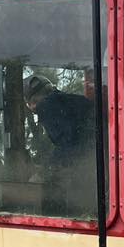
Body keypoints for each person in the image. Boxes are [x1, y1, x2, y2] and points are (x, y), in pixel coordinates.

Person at [23, 74, 96, 217]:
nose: (32, 108)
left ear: (33, 101)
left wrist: (44, 172)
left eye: (30, 104)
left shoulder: (47, 106)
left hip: (86, 170)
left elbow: (66, 143)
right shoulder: (74, 101)